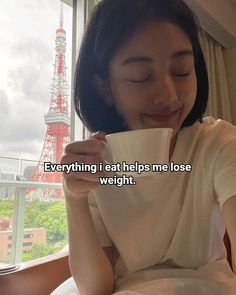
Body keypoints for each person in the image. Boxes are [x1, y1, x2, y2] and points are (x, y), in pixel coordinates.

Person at [59, 0, 236, 294]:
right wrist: (73, 198)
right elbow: (95, 287)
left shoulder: (216, 143)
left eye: (181, 70)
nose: (168, 95)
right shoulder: (95, 162)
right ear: (104, 87)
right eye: (141, 76)